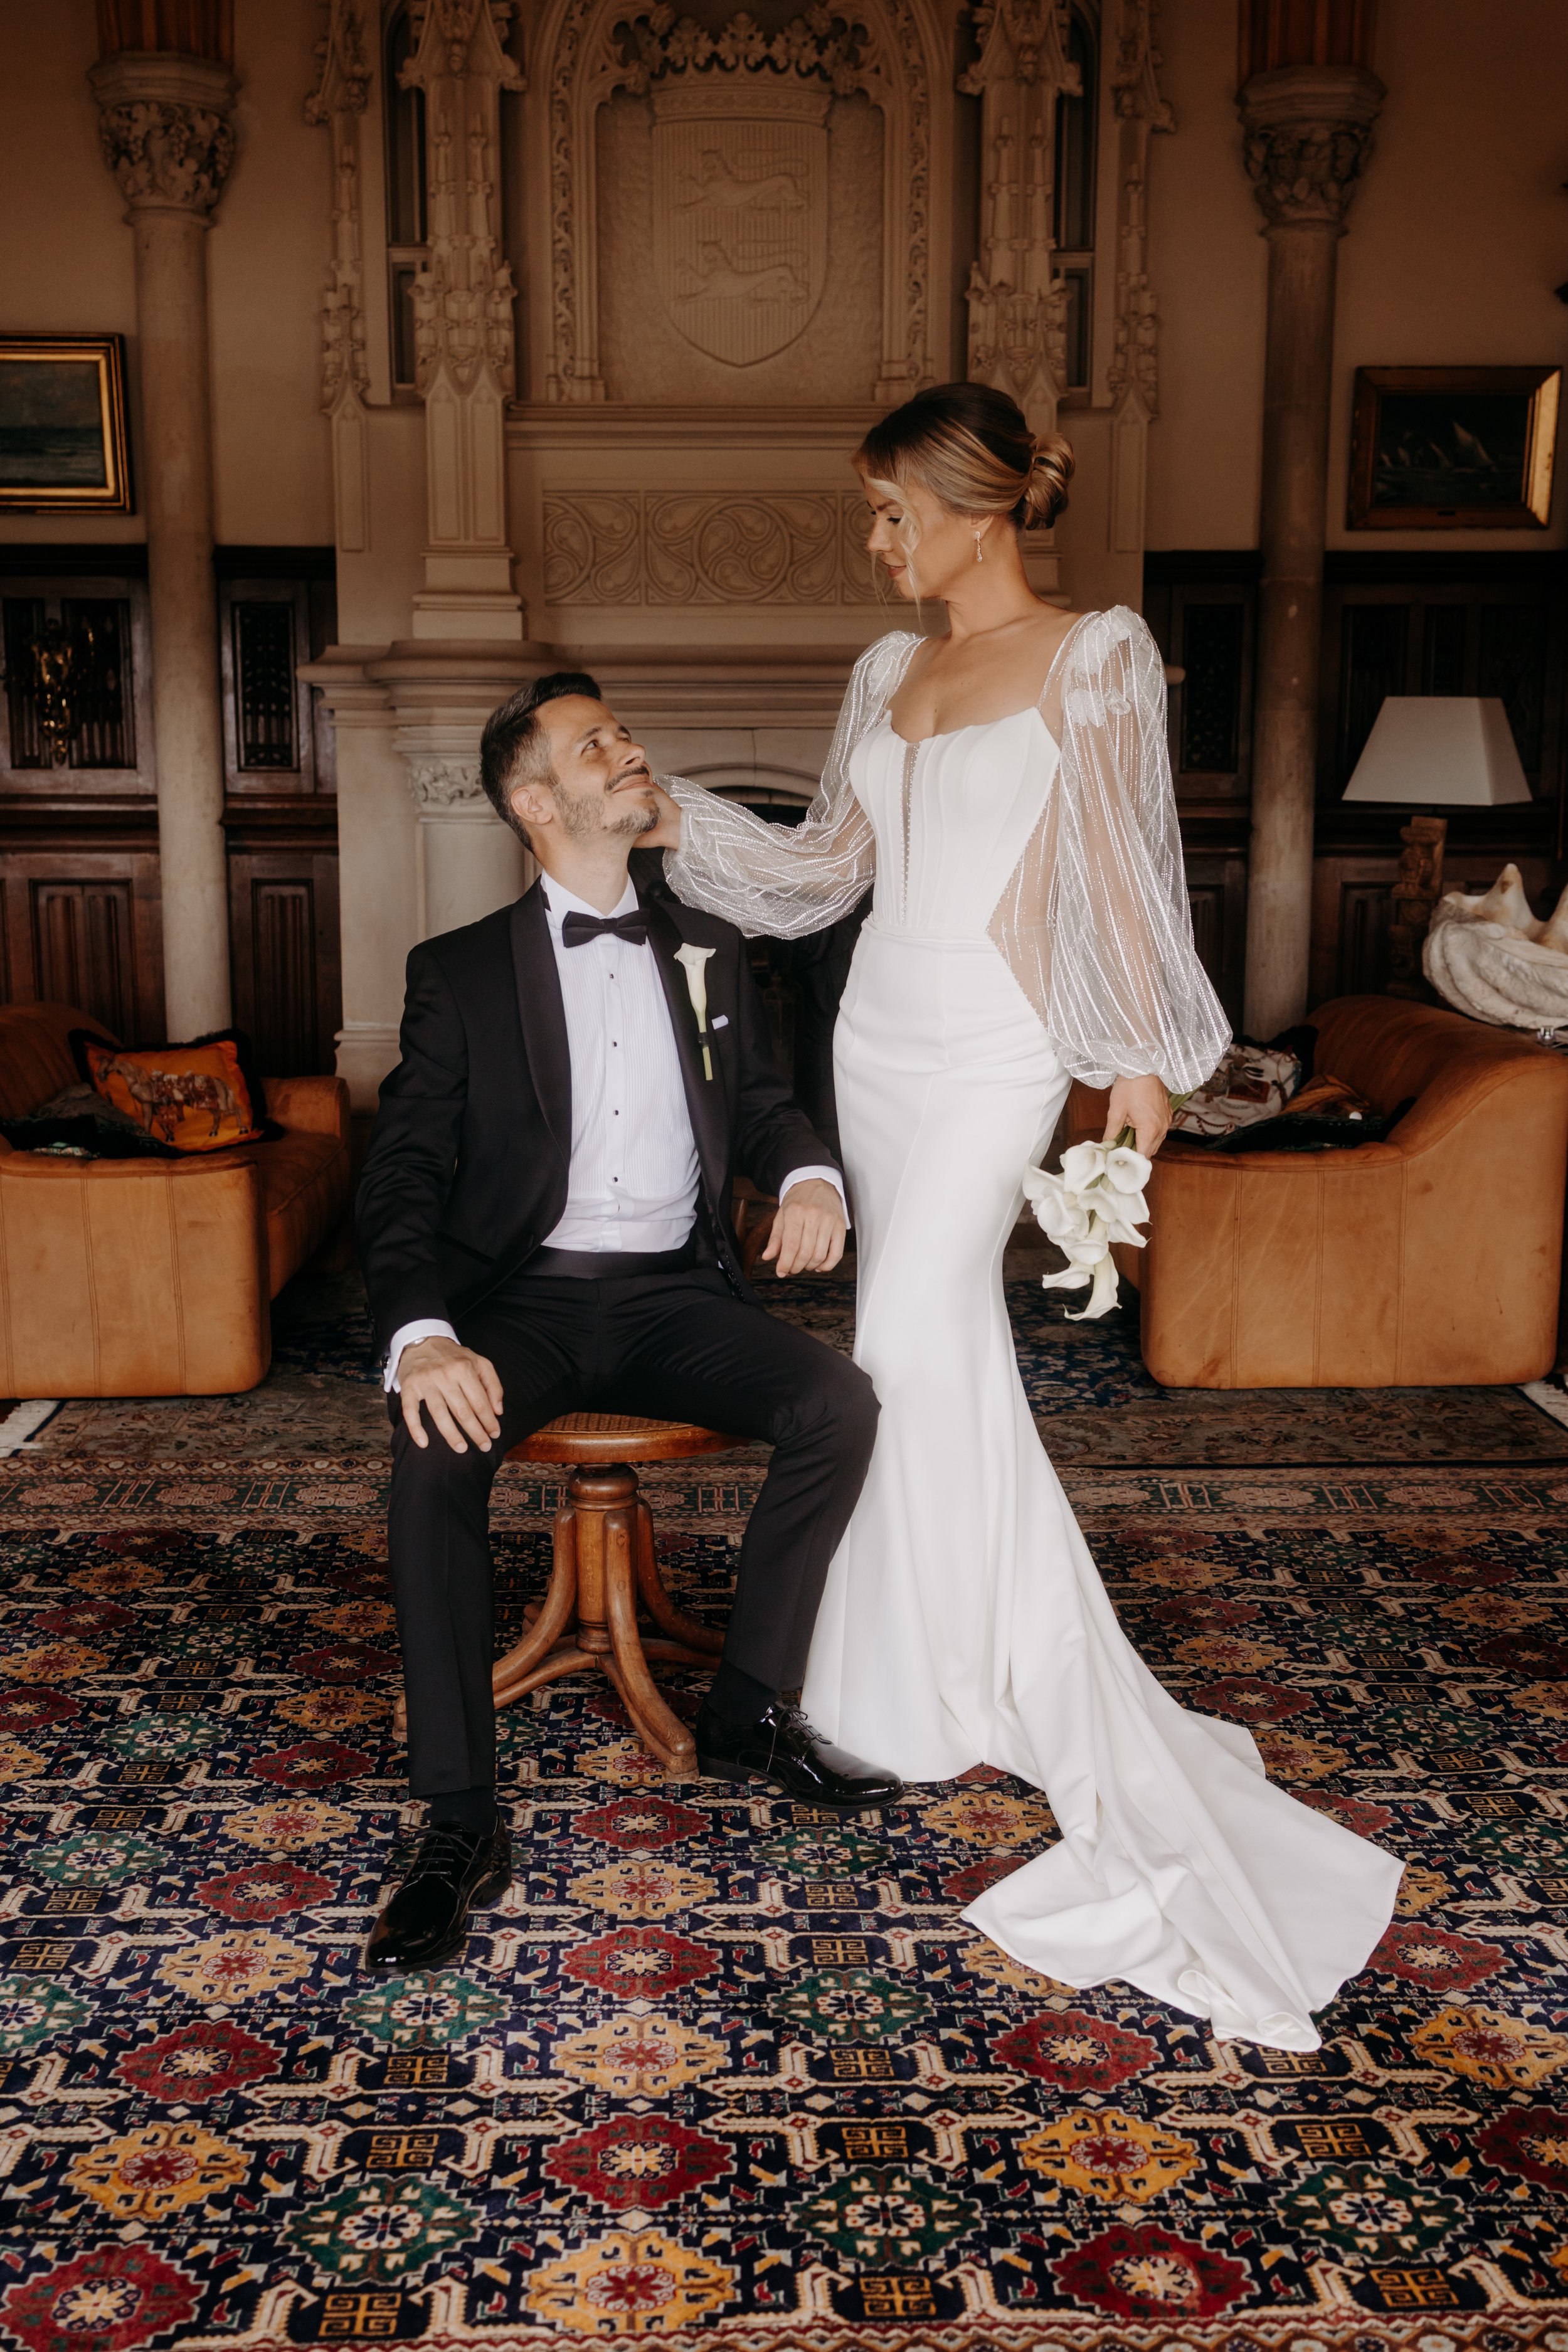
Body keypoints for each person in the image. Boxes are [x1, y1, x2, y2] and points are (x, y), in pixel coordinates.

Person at [645, 383, 1402, 2052]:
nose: (873, 538)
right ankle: (937, 1655)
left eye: (888, 509)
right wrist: (672, 821)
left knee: (908, 1339)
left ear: (975, 502)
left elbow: (1127, 867)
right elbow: (825, 870)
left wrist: (1132, 1058)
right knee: (923, 1349)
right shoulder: (880, 672)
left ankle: (888, 1690)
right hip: (877, 1042)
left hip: (992, 1044)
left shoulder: (1096, 653)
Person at [357, 673, 900, 1973]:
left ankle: (745, 1712)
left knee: (837, 1405)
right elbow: (402, 1176)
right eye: (595, 744)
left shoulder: (707, 945)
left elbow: (763, 1105)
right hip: (519, 1306)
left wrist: (812, 1174)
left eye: (622, 733)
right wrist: (422, 1333)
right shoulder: (459, 975)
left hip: (671, 1295)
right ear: (534, 801)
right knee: (431, 1459)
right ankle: (455, 1819)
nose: (630, 750)